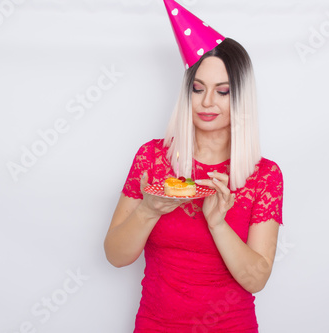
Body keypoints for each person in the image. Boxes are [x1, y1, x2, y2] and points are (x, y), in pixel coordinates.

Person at [104, 1, 283, 332]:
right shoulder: (153, 158)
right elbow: (115, 256)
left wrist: (217, 223)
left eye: (223, 91)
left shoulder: (265, 176)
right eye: (198, 88)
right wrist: (148, 210)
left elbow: (256, 279)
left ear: (241, 96)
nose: (207, 102)